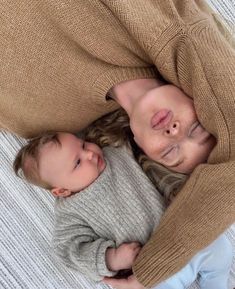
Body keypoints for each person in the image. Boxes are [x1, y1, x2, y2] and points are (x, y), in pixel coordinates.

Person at [1, 0, 235, 287]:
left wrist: (137, 265)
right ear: (206, 97)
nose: (175, 132)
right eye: (197, 126)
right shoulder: (171, 33)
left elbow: (71, 251)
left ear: (140, 147)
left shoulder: (36, 124)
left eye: (171, 152)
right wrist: (151, 269)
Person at [13, 86, 233, 289]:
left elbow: (137, 135)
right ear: (61, 190)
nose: (89, 153)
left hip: (179, 235)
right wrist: (112, 257)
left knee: (219, 248)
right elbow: (69, 252)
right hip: (152, 267)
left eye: (82, 145)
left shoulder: (113, 150)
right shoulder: (70, 213)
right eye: (77, 162)